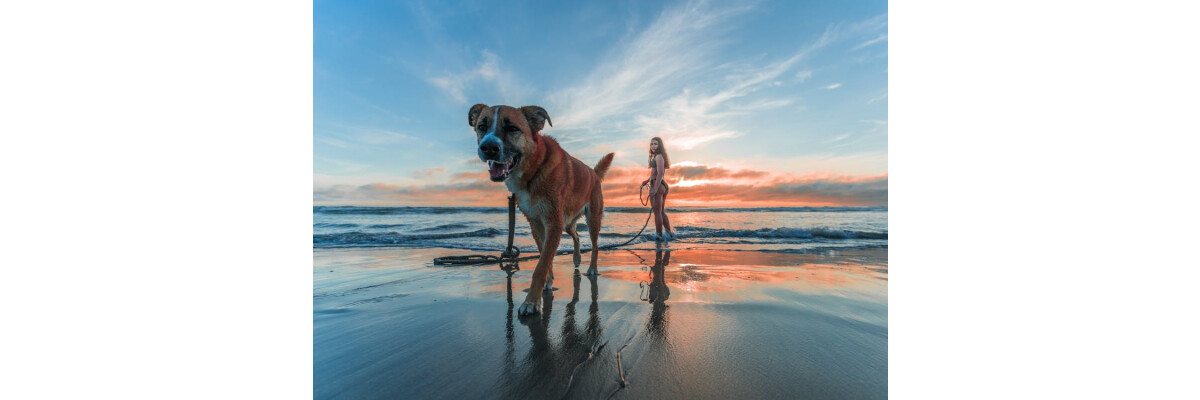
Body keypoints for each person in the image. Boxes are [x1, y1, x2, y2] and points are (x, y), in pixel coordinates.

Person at [641, 137, 674, 241]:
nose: (653, 146)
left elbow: (660, 173)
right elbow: (655, 172)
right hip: (661, 184)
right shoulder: (658, 156)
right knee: (661, 212)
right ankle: (669, 234)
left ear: (660, 145)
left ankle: (659, 236)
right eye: (651, 144)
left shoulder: (659, 156)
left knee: (657, 213)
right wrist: (647, 180)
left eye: (655, 144)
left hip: (658, 185)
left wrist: (654, 189)